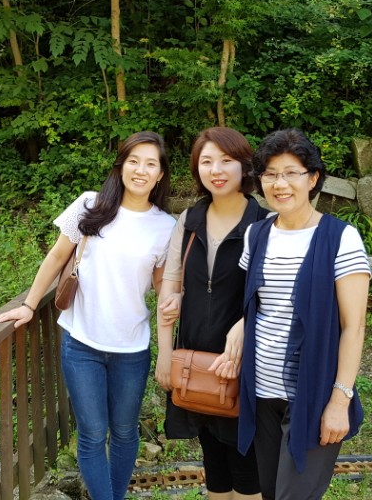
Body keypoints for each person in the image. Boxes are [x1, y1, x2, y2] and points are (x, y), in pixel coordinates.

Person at [0, 131, 176, 500]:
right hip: (81, 343)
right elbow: (56, 257)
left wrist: (179, 299)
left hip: (131, 347)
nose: (140, 170)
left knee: (124, 432)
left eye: (150, 164)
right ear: (121, 166)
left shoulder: (166, 227)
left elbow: (162, 286)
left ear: (160, 175)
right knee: (92, 434)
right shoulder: (91, 205)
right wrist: (29, 304)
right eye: (133, 161)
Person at [230, 128, 371, 500]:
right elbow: (259, 305)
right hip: (260, 392)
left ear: (312, 179)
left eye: (291, 173)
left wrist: (339, 401)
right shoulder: (256, 234)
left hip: (313, 395)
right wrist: (239, 327)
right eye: (270, 174)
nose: (280, 184)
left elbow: (354, 327)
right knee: (270, 492)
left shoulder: (340, 238)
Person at [155, 127, 269, 500]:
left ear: (245, 166)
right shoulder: (190, 220)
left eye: (226, 160)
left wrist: (247, 324)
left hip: (245, 367)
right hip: (196, 364)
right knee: (215, 468)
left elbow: (281, 298)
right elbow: (170, 288)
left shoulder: (265, 224)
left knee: (248, 471)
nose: (216, 170)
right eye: (206, 161)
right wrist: (165, 354)